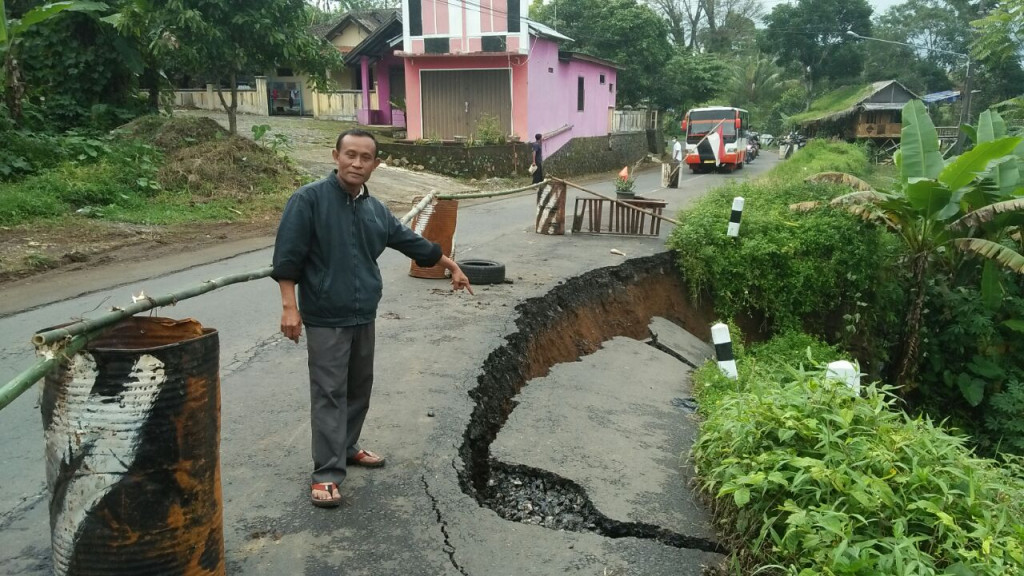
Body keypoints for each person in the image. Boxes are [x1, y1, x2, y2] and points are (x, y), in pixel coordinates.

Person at [271, 129, 473, 508]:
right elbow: (288, 257)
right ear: (336, 156)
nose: (356, 163)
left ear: (376, 164)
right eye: (350, 155)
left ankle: (347, 447)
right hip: (325, 314)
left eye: (365, 157)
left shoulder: (374, 208)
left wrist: (450, 264)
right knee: (329, 392)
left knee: (359, 386)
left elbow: (409, 241)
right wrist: (289, 306)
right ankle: (326, 473)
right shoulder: (308, 200)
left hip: (364, 312)